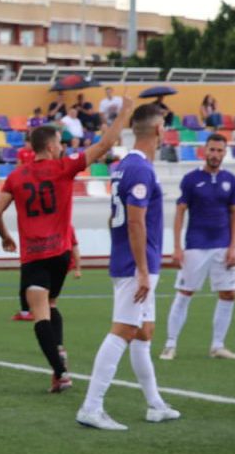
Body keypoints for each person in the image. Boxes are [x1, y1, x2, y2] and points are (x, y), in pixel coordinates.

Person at [0, 95, 134, 393]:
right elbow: (106, 145)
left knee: (39, 313)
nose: (63, 146)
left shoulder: (16, 177)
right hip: (61, 253)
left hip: (33, 256)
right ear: (50, 146)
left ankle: (60, 371)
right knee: (52, 302)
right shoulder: (64, 168)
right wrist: (125, 113)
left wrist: (5, 237)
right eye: (60, 142)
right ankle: (59, 347)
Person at [75, 103, 180, 429]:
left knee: (143, 333)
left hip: (131, 261)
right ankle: (91, 407)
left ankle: (154, 403)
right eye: (164, 127)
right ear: (159, 130)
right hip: (136, 266)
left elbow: (115, 218)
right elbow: (135, 223)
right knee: (122, 331)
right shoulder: (140, 170)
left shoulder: (122, 167)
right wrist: (143, 270)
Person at [160, 134, 235, 361]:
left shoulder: (231, 180)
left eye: (219, 150)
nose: (215, 154)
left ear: (225, 153)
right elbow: (180, 212)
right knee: (186, 292)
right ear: (204, 151)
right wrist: (177, 247)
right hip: (195, 245)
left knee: (228, 294)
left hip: (223, 246)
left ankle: (217, 346)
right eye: (212, 150)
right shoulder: (191, 179)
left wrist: (233, 246)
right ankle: (170, 344)